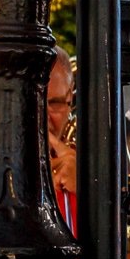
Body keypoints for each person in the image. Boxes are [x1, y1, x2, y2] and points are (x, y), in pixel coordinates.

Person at [46, 45, 77, 234]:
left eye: (54, 103)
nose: (42, 115)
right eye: (32, 101)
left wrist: (88, 192)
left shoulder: (87, 169)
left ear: (70, 100)